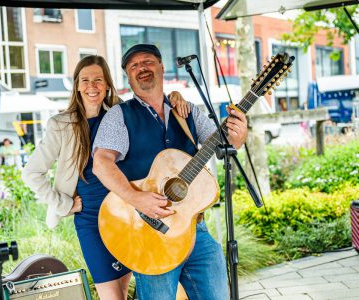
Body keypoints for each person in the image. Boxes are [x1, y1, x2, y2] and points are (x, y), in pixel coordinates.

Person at [21, 54, 190, 300]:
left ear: (108, 84)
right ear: (77, 85)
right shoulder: (61, 124)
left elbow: (152, 103)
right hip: (91, 219)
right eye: (85, 80)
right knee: (112, 296)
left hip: (128, 213)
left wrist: (175, 97)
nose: (92, 86)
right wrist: (64, 204)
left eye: (98, 80)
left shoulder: (121, 112)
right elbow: (31, 173)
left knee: (124, 290)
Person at [93, 44, 248, 299]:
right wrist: (137, 198)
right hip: (150, 234)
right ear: (128, 77)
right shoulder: (119, 115)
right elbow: (101, 163)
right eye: (134, 66)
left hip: (195, 229)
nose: (141, 68)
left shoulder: (186, 111)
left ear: (162, 68)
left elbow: (222, 146)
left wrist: (238, 138)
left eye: (148, 62)